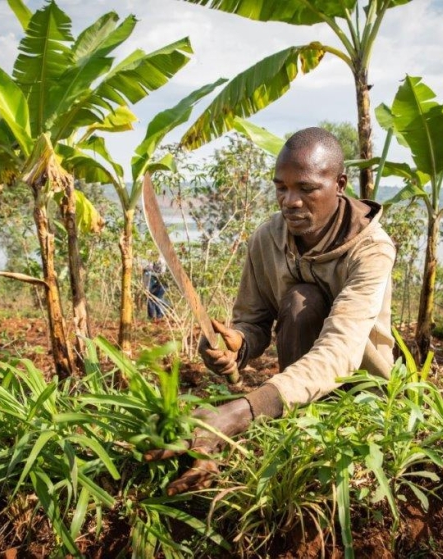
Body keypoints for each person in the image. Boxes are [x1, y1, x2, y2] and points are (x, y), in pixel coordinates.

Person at [145, 127, 396, 494]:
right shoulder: (267, 239)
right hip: (294, 387)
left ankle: (298, 425)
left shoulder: (372, 250)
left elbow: (340, 351)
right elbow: (254, 319)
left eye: (306, 188)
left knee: (302, 302)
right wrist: (238, 345)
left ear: (340, 184)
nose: (290, 201)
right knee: (297, 302)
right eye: (282, 187)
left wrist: (240, 411)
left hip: (359, 386)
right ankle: (287, 421)